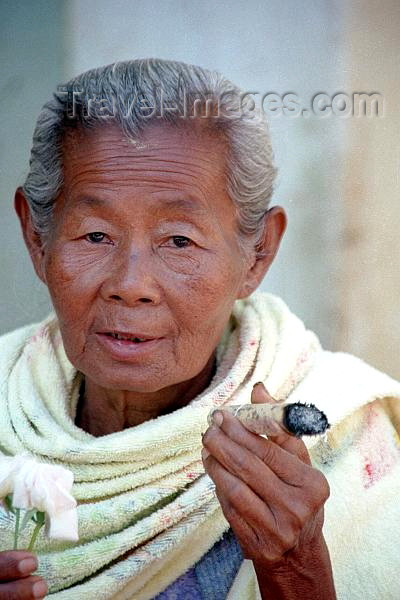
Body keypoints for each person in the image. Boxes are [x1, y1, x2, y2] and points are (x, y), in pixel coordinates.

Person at [0, 58, 399, 600]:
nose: (131, 284)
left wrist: (295, 569)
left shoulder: (348, 441)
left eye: (179, 241)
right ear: (36, 238)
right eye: (95, 234)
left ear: (258, 254)